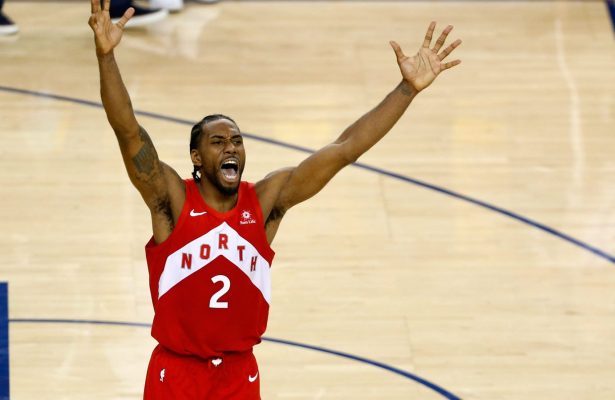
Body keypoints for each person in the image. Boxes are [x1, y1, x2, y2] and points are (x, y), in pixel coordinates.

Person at [89, 0, 461, 398]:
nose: (230, 147)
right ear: (196, 158)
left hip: (238, 373)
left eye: (237, 140)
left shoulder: (265, 202)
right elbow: (128, 131)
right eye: (218, 141)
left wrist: (406, 90)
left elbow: (344, 149)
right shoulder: (172, 201)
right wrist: (106, 57)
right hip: (177, 372)